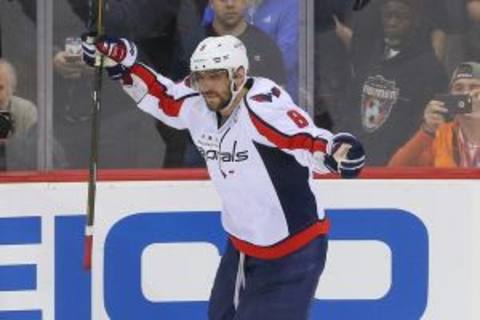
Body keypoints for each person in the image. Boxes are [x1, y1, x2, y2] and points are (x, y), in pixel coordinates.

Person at [82, 34, 366, 319]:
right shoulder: (198, 101)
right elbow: (164, 97)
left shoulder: (262, 107)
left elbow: (302, 138)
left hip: (294, 250)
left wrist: (334, 150)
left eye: (215, 76)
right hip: (243, 248)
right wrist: (123, 63)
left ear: (239, 75)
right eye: (201, 77)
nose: (206, 86)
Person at [337, 0, 448, 165]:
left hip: (400, 165)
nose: (393, 22)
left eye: (400, 16)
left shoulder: (429, 67)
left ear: (414, 20)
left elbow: (433, 122)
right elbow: (352, 105)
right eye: (388, 16)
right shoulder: (369, 58)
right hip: (358, 159)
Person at [389, 62, 480, 167]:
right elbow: (395, 169)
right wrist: (427, 131)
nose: (466, 93)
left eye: (474, 87)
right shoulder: (442, 135)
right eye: (459, 88)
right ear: (450, 96)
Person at [0, 58, 37, 170]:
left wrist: (11, 145)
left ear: (12, 89)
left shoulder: (26, 111)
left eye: (0, 87)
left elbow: (35, 153)